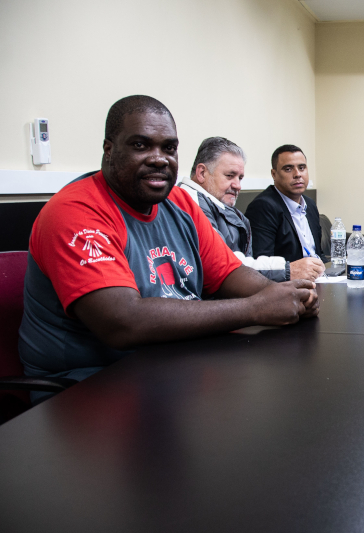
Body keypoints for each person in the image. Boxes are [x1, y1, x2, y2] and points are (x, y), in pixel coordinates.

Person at [18, 95, 319, 394]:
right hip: (89, 387)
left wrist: (284, 297)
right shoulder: (76, 211)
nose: (159, 158)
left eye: (169, 148)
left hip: (170, 366)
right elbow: (123, 322)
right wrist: (256, 308)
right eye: (140, 145)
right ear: (109, 150)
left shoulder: (179, 203)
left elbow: (228, 273)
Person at [179, 137, 321, 282]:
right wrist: (288, 270)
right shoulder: (190, 202)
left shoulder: (221, 205)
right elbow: (224, 264)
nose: (238, 185)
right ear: (202, 173)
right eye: (229, 176)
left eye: (240, 178)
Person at [244, 145, 326, 278]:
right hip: (290, 285)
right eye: (288, 169)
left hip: (320, 278)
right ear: (274, 174)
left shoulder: (309, 204)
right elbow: (262, 265)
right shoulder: (263, 206)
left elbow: (319, 254)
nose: (297, 174)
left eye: (302, 167)